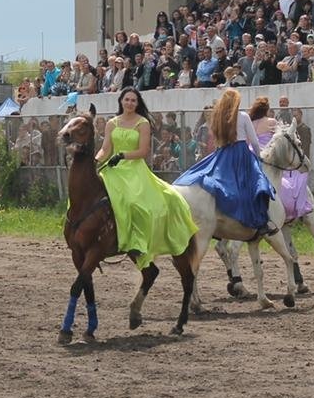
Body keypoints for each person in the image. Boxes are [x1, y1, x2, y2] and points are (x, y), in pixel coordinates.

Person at [96, 87, 197, 268]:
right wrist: (95, 160)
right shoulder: (112, 123)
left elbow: (143, 151)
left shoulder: (142, 123)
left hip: (134, 169)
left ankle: (138, 243)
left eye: (133, 100)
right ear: (121, 101)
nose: (129, 103)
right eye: (127, 99)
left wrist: (123, 155)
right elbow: (105, 148)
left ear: (137, 103)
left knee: (135, 203)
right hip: (113, 169)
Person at [173, 89, 275, 233]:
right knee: (259, 183)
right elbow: (254, 142)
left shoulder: (218, 118)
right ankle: (264, 222)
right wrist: (258, 159)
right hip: (241, 153)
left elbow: (216, 139)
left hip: (223, 153)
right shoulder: (243, 116)